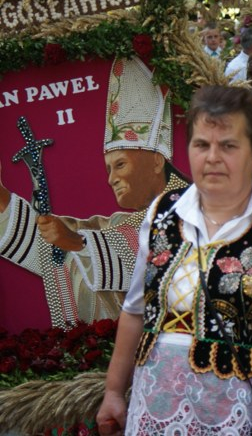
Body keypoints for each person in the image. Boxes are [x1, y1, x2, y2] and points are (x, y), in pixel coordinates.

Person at [96, 86, 252, 435]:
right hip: (155, 406)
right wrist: (114, 391)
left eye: (228, 146)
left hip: (239, 413)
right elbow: (136, 310)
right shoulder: (163, 212)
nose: (212, 157)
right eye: (201, 145)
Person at [0, 57, 189, 327]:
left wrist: (77, 243)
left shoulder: (193, 206)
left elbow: (152, 257)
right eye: (109, 169)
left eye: (120, 165)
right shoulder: (122, 224)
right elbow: (52, 244)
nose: (111, 179)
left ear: (157, 161)